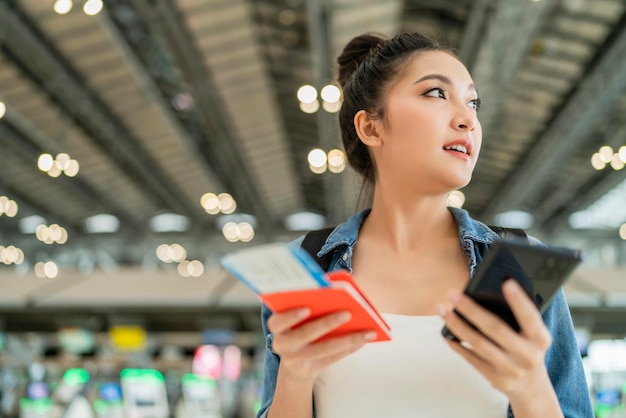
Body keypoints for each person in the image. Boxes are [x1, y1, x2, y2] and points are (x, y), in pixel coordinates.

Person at [257, 32, 593, 418]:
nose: (468, 119)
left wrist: (530, 387)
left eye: (473, 102)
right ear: (371, 128)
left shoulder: (520, 264)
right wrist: (295, 375)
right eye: (436, 93)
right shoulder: (306, 266)